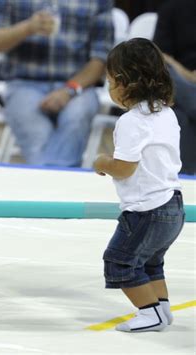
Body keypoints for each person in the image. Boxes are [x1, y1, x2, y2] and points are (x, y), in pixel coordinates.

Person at [93, 38, 185, 332]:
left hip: (147, 210)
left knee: (118, 262)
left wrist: (102, 162)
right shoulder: (167, 113)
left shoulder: (132, 121)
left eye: (109, 81)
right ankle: (162, 308)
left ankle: (149, 313)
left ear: (122, 82)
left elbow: (125, 168)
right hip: (173, 205)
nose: (109, 88)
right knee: (150, 262)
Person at [0, 0, 114, 167]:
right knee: (37, 133)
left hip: (79, 86)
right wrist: (28, 28)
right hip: (23, 84)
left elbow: (101, 58)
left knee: (77, 116)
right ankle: (62, 183)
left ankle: (44, 181)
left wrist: (68, 90)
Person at [153, 0, 196, 175]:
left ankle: (187, 177)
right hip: (178, 81)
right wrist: (187, 74)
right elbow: (160, 55)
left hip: (181, 100)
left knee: (179, 115)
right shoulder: (172, 8)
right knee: (165, 73)